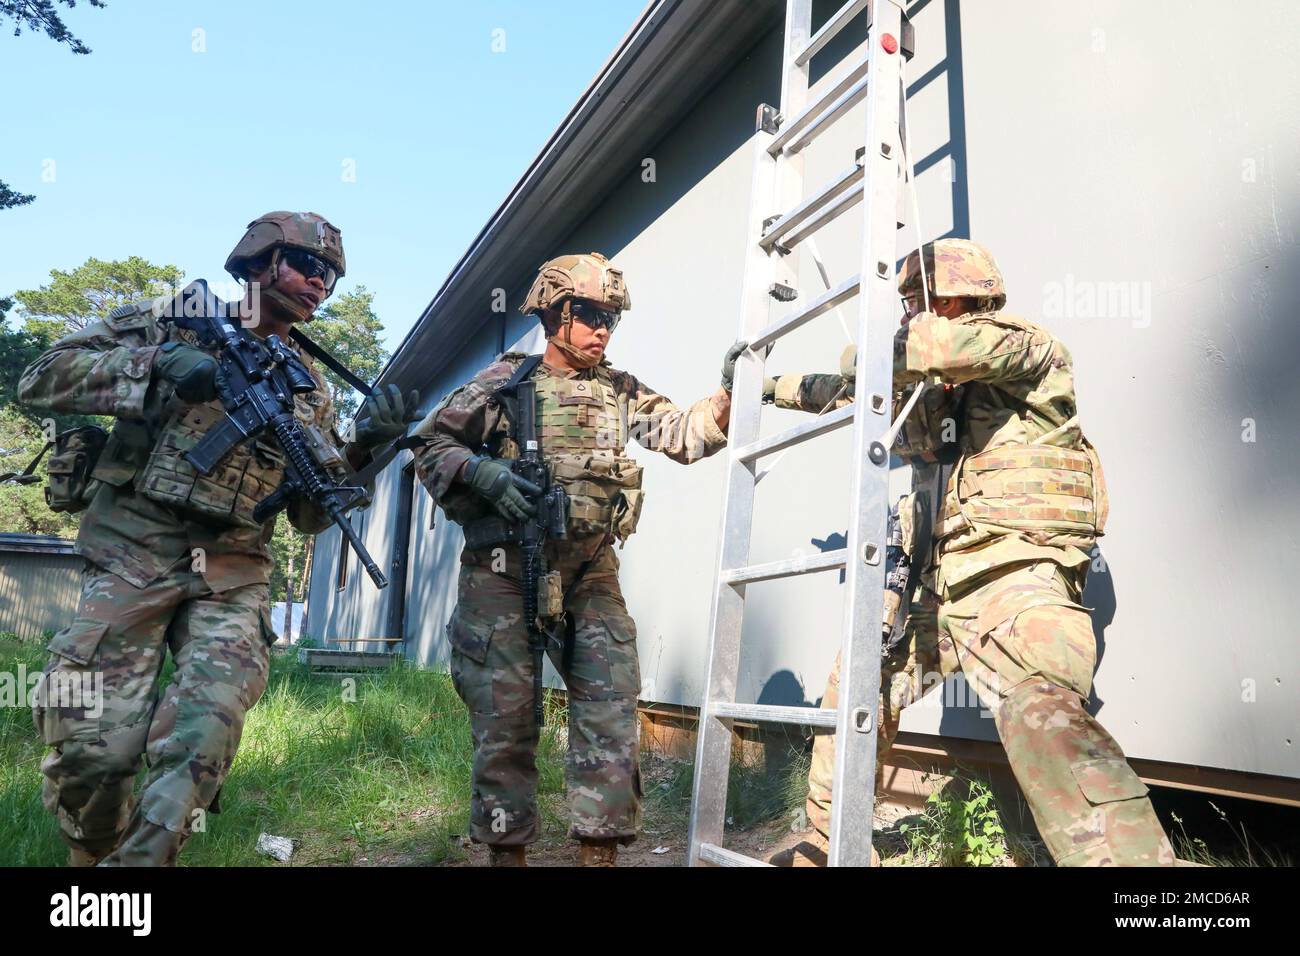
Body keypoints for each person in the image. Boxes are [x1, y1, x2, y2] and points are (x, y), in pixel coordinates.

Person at [19, 211, 414, 866]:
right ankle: (88, 862)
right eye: (310, 267)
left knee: (203, 735)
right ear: (259, 260)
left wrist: (367, 443)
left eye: (332, 279)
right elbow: (41, 376)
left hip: (233, 566)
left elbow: (312, 518)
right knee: (98, 752)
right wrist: (162, 364)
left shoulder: (308, 392)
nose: (321, 285)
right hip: (135, 547)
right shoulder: (173, 320)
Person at [765, 238, 1174, 867]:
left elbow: (929, 350)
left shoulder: (1026, 347)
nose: (905, 314)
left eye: (912, 301)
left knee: (1042, 717)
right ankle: (835, 842)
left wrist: (873, 351)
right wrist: (766, 385)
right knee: (857, 686)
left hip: (1015, 581)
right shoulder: (928, 391)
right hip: (938, 589)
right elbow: (847, 390)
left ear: (954, 299)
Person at [412, 251, 744, 866]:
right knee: (506, 720)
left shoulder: (618, 391)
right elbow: (429, 443)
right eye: (589, 314)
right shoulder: (505, 383)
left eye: (611, 318)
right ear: (554, 312)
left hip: (591, 571)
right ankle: (507, 856)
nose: (602, 329)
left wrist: (731, 392)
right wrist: (482, 473)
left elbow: (684, 433)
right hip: (504, 572)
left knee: (612, 708)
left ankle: (599, 853)